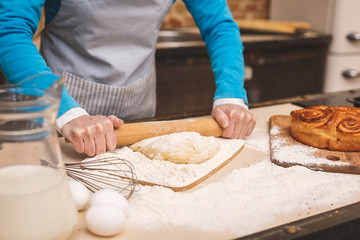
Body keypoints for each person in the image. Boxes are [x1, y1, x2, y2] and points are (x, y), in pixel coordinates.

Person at [0, 0, 256, 156]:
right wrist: (65, 111)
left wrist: (232, 94)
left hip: (139, 106)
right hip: (60, 112)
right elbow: (9, 31)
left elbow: (219, 26)